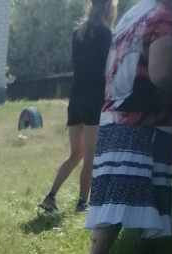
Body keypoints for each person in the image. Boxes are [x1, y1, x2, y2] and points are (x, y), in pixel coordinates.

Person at [86, 0, 172, 254]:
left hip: (115, 114)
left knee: (120, 192)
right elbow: (162, 74)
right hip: (142, 121)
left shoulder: (136, 12)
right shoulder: (165, 17)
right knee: (127, 190)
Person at [40, 0, 115, 214]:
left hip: (76, 99)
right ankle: (82, 203)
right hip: (94, 99)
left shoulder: (78, 33)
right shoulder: (106, 34)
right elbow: (109, 69)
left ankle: (50, 196)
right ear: (109, 8)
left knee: (75, 154)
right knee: (90, 156)